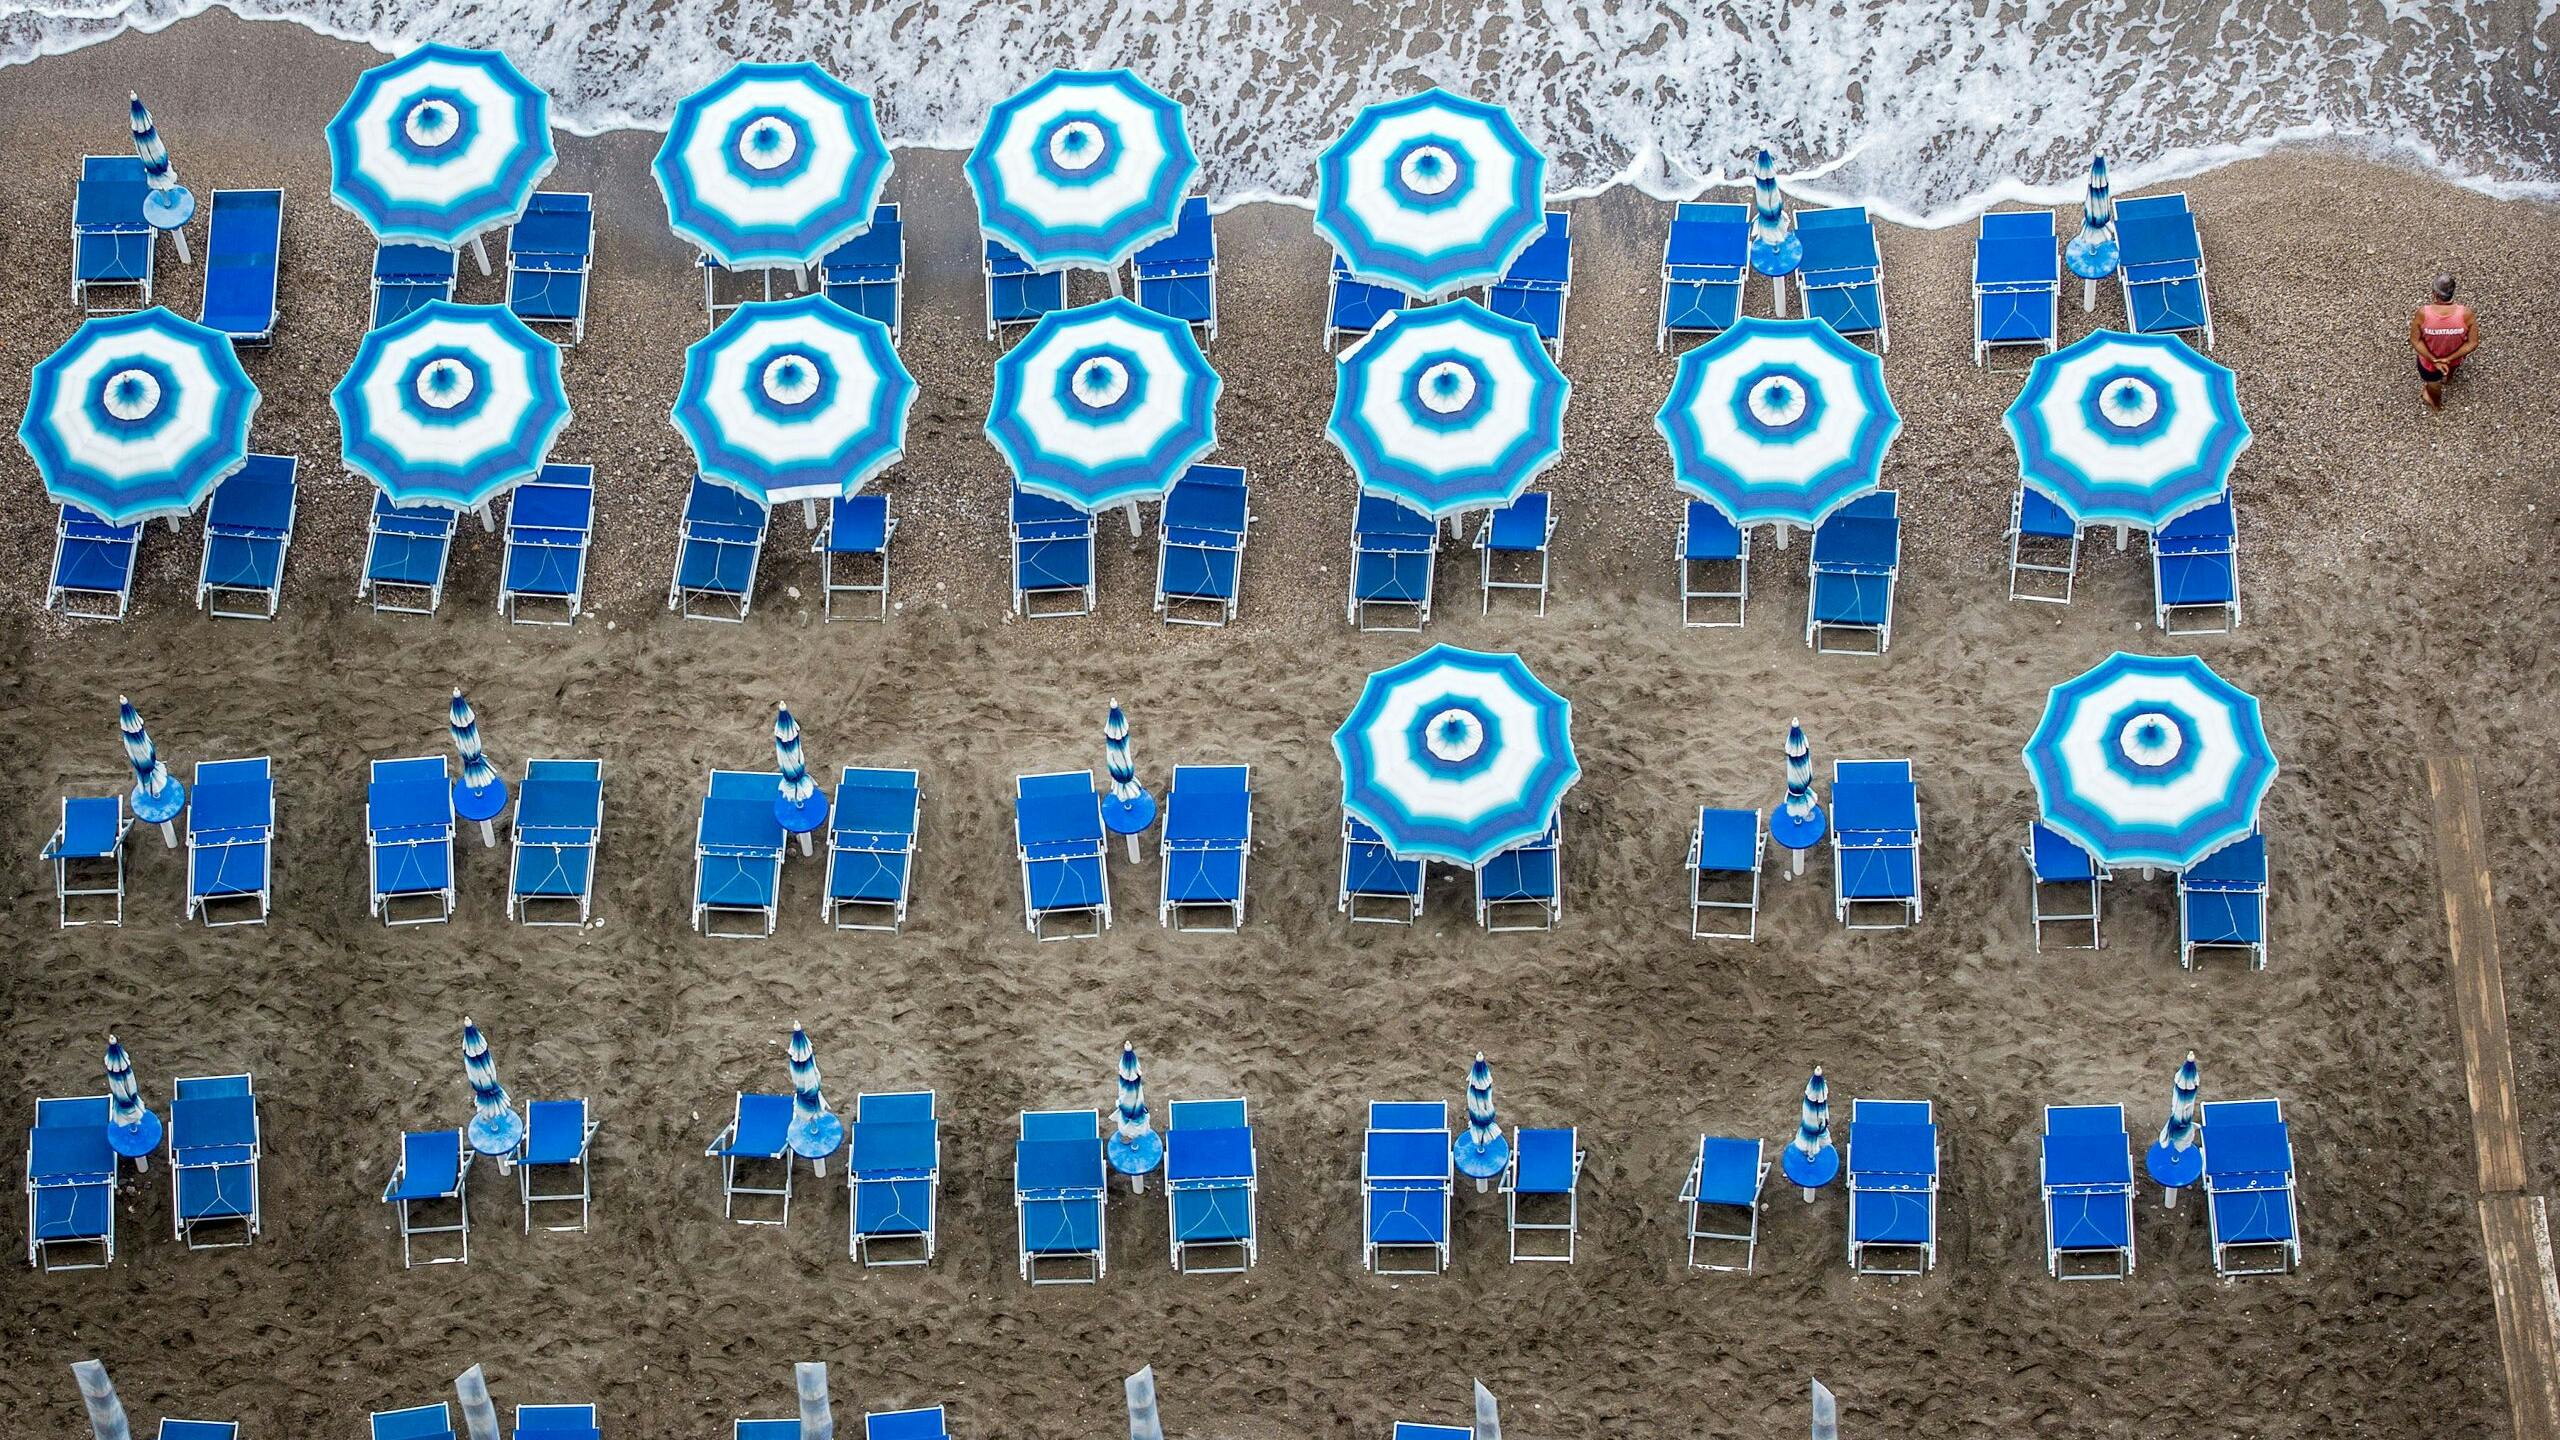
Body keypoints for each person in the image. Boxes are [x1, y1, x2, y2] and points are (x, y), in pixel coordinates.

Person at [2410, 275, 2479, 410]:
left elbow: (2415, 340)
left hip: (2429, 362)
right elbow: (2473, 343)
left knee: (2433, 385)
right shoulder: (2466, 314)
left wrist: (2435, 360)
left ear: (2434, 294)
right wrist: (2448, 359)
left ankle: (2435, 403)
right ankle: (2447, 378)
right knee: (2451, 368)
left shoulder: (2423, 313)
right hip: (2454, 358)